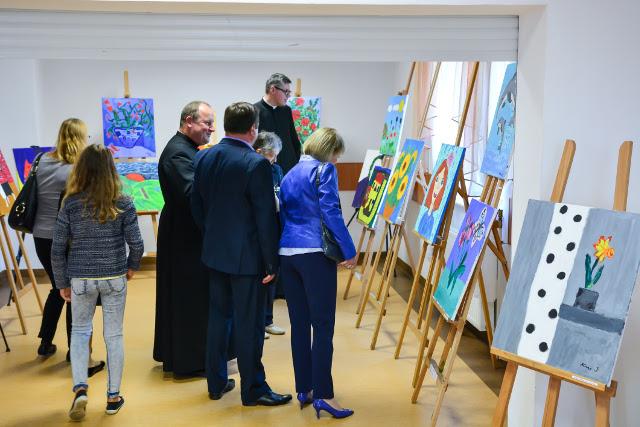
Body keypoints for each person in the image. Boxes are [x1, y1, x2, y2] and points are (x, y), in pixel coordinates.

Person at [191, 102, 291, 407]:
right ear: (253, 129)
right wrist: (272, 262)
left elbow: (196, 205)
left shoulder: (204, 157)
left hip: (214, 253)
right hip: (248, 259)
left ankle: (216, 382)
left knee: (218, 318)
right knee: (250, 325)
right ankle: (254, 389)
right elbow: (265, 218)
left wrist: (211, 236)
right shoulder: (256, 164)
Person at [52, 144, 144, 420]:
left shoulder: (71, 203)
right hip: (114, 276)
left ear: (81, 170)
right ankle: (113, 398)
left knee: (80, 331)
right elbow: (136, 243)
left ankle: (80, 389)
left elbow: (58, 247)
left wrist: (62, 282)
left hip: (80, 278)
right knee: (113, 335)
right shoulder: (123, 201)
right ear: (111, 169)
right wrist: (131, 266)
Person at [278, 127, 357, 419]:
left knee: (299, 325)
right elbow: (331, 212)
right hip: (314, 254)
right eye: (336, 154)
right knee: (323, 325)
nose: (337, 160)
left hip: (287, 253)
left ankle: (305, 388)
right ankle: (324, 395)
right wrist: (348, 250)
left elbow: (282, 214)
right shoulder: (324, 170)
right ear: (328, 150)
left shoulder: (289, 173)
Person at [154, 101, 220, 377]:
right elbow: (193, 194)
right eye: (207, 123)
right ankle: (192, 361)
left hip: (185, 231)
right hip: (184, 236)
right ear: (188, 121)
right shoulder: (178, 153)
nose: (212, 129)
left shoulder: (188, 149)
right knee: (189, 299)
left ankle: (191, 356)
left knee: (191, 297)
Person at [33, 118, 104, 375]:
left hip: (41, 237)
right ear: (80, 138)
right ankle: (76, 351)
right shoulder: (78, 168)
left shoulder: (41, 160)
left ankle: (45, 342)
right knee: (76, 294)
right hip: (69, 238)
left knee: (57, 287)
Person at [253, 132, 285, 338]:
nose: (275, 159)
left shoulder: (276, 169)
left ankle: (267, 320)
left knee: (273, 273)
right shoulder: (252, 168)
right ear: (259, 152)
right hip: (256, 230)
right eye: (272, 155)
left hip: (275, 226)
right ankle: (256, 322)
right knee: (258, 276)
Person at [254, 73, 301, 176]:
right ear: (273, 89)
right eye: (286, 92)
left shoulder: (286, 110)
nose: (288, 96)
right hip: (266, 171)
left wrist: (296, 162)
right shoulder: (255, 111)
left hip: (289, 170)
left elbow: (294, 139)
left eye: (289, 92)